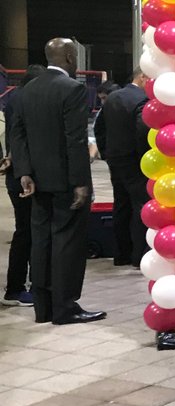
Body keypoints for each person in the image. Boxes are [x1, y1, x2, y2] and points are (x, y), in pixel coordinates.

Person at [10, 39, 105, 324]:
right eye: (74, 54)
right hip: (65, 181)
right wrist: (80, 183)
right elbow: (74, 139)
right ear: (67, 56)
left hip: (37, 181)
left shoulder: (26, 91)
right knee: (67, 244)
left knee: (41, 241)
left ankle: (43, 307)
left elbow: (18, 135)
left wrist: (24, 173)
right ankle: (65, 307)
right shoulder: (72, 89)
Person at [95, 70, 150, 267]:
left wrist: (106, 153)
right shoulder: (143, 100)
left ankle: (121, 254)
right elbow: (142, 131)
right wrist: (145, 158)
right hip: (134, 162)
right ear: (142, 77)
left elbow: (98, 128)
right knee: (140, 206)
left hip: (115, 160)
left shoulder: (112, 98)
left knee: (121, 204)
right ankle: (138, 255)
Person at [2, 65, 45, 306]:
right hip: (21, 177)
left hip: (17, 174)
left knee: (26, 231)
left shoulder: (15, 99)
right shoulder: (24, 100)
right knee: (25, 233)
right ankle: (15, 289)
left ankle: (23, 285)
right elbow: (20, 140)